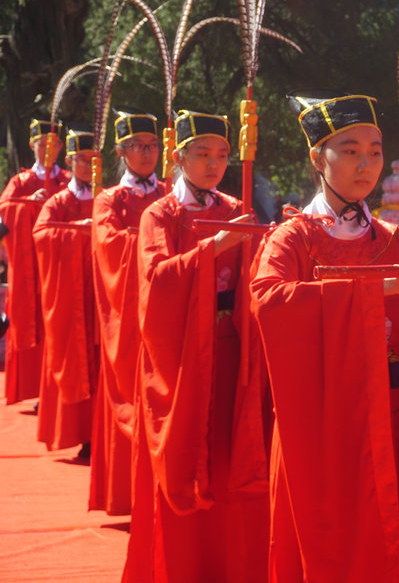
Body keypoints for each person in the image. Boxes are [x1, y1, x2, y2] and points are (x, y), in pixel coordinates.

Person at [250, 93, 399, 582]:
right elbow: (268, 300)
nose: (367, 163)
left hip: (395, 410)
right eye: (351, 150)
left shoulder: (392, 238)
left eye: (376, 150)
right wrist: (364, 293)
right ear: (318, 158)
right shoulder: (292, 237)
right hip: (327, 423)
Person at [129, 110, 269, 582]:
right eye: (203, 154)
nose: (214, 164)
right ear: (179, 157)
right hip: (185, 356)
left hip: (232, 349)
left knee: (232, 458)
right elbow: (154, 281)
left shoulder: (235, 208)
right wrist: (211, 250)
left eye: (223, 155)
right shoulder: (160, 215)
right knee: (186, 455)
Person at [89, 109, 165, 517]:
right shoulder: (109, 199)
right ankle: (130, 494)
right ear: (121, 151)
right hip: (130, 312)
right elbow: (109, 246)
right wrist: (154, 242)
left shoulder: (168, 193)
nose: (147, 153)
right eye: (137, 146)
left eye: (152, 145)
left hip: (164, 309)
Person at [32, 127, 99, 458]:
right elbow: (41, 236)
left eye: (93, 159)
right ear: (70, 161)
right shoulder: (60, 201)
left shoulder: (108, 198)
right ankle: (80, 434)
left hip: (103, 294)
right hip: (72, 294)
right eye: (82, 160)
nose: (88, 165)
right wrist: (78, 233)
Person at [0, 118, 70, 404]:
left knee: (60, 325)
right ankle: (36, 388)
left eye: (54, 144)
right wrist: (29, 202)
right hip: (30, 266)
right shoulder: (21, 181)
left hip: (60, 264)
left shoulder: (68, 180)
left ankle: (57, 389)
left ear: (62, 146)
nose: (48, 149)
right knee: (35, 324)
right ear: (32, 145)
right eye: (42, 144)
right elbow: (4, 213)